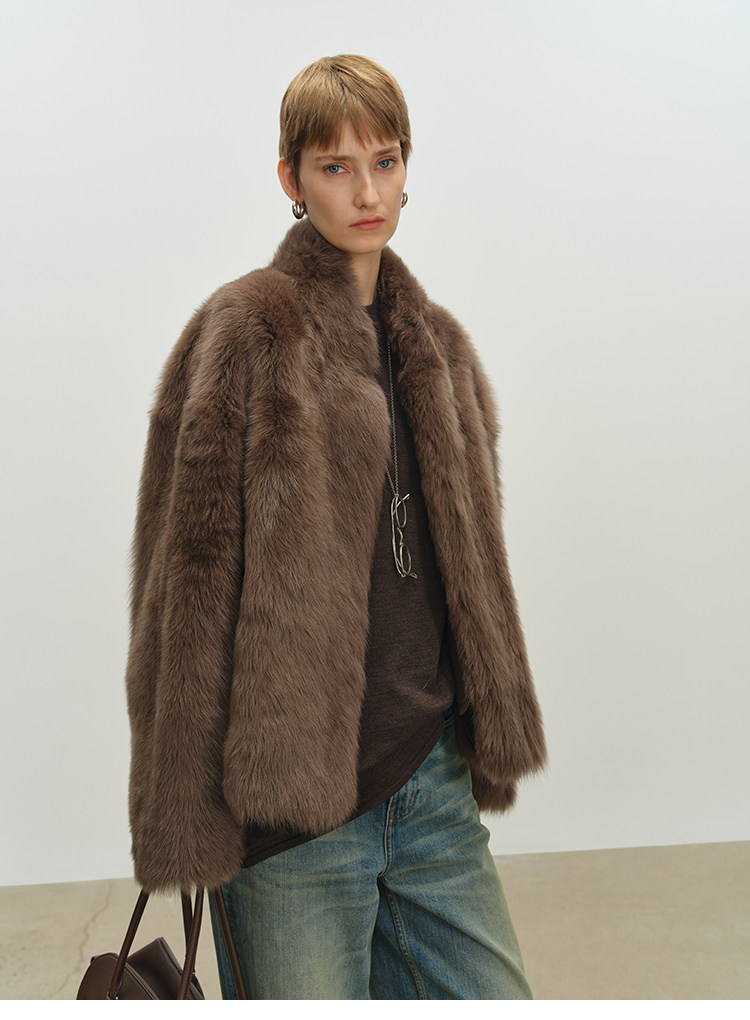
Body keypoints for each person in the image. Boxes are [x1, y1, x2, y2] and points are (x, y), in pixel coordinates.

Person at [124, 54, 546, 1000]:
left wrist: (485, 728)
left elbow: (474, 574)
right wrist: (184, 817)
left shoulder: (439, 347)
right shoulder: (245, 331)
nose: (367, 192)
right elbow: (182, 592)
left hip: (431, 788)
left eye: (385, 162)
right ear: (291, 177)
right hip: (291, 821)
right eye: (336, 166)